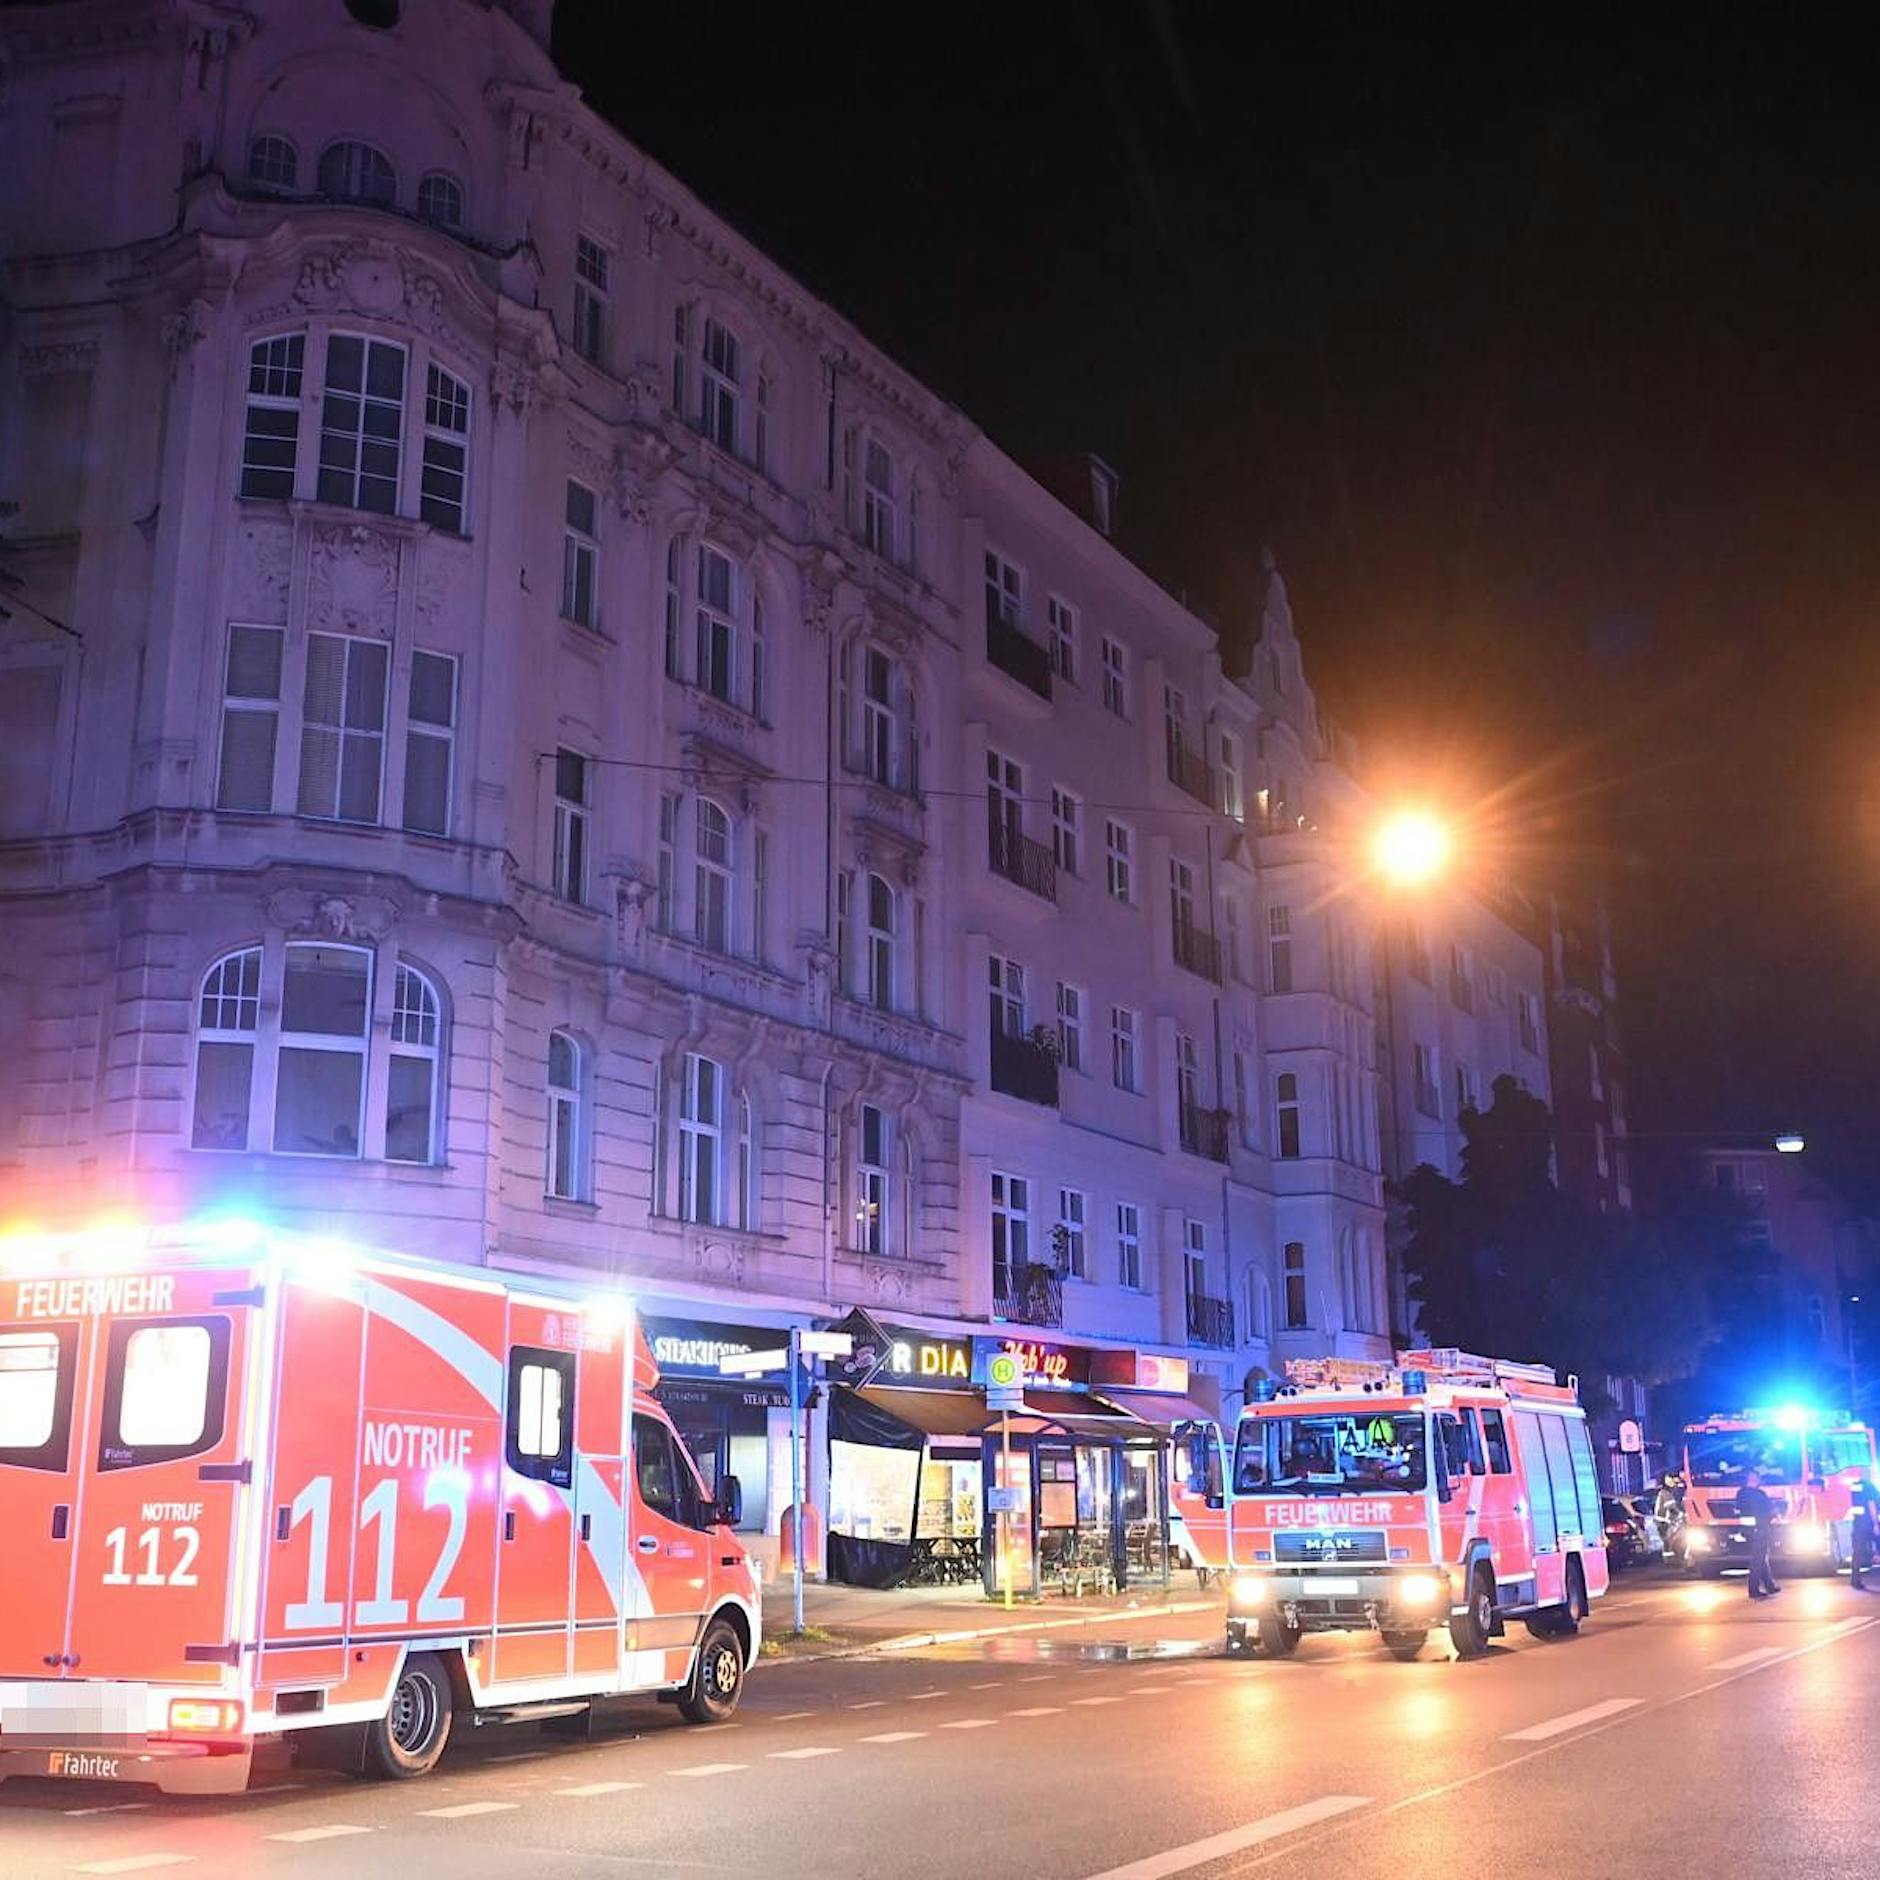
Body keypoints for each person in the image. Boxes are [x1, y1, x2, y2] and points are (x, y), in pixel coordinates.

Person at [1737, 1468, 1780, 1600]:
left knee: (1761, 1558)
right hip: (1760, 1529)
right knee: (1758, 1560)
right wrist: (1775, 1515)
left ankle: (1769, 1585)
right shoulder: (1759, 1494)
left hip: (1748, 1530)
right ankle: (1753, 1589)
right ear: (1755, 1479)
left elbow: (1739, 1510)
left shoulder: (1741, 1493)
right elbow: (1767, 1511)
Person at [1850, 1476, 1878, 1591]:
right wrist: (1875, 1523)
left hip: (1858, 1522)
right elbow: (1871, 1504)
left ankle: (1855, 1580)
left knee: (1857, 1552)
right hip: (1868, 1522)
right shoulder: (1869, 1486)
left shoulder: (1855, 1486)